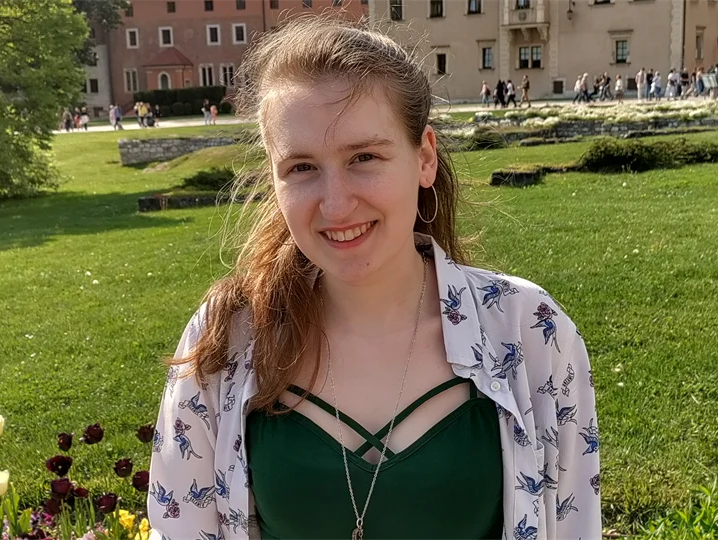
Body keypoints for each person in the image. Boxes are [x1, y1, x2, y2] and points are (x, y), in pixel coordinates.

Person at [147, 16, 600, 540]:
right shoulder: (227, 342)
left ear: (424, 158)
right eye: (301, 168)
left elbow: (573, 523)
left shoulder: (530, 333)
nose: (336, 205)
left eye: (364, 157)